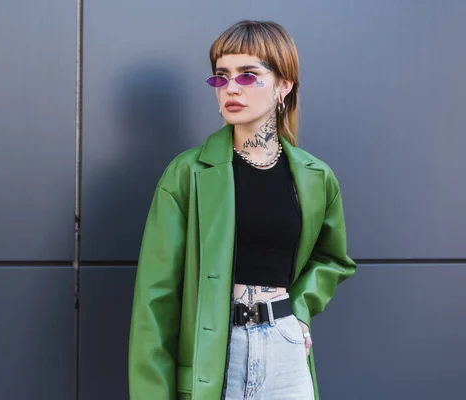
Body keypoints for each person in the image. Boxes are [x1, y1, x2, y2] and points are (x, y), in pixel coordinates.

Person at [128, 20, 356, 400]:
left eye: (249, 75)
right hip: (216, 353)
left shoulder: (316, 177)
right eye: (221, 76)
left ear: (284, 85)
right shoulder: (187, 174)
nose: (231, 88)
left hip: (285, 351)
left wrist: (300, 308)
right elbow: (155, 299)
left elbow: (333, 259)